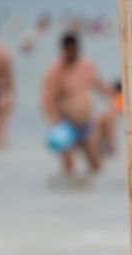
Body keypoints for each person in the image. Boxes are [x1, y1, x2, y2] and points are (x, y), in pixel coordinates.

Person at [41, 32, 112, 177]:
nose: (72, 54)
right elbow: (48, 100)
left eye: (74, 50)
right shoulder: (55, 72)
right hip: (66, 124)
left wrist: (116, 99)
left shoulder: (87, 66)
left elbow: (101, 87)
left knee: (96, 166)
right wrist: (55, 122)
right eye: (69, 51)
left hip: (86, 122)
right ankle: (69, 190)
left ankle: (96, 191)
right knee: (69, 168)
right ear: (63, 50)